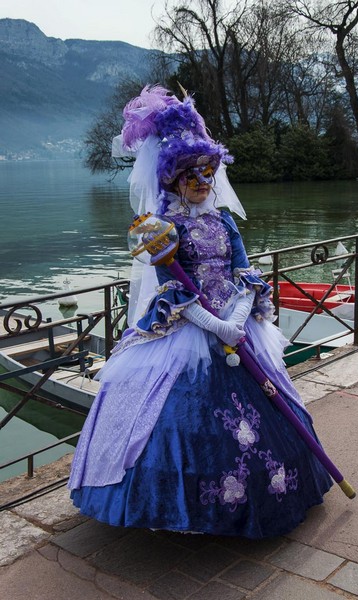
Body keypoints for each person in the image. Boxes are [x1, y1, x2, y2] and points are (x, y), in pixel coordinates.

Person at [68, 85, 332, 538]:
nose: (202, 182)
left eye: (207, 173)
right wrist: (213, 324)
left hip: (235, 320)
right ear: (172, 179)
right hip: (187, 326)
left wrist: (236, 317)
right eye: (192, 175)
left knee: (269, 407)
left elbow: (244, 270)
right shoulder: (161, 229)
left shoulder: (224, 220)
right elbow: (172, 289)